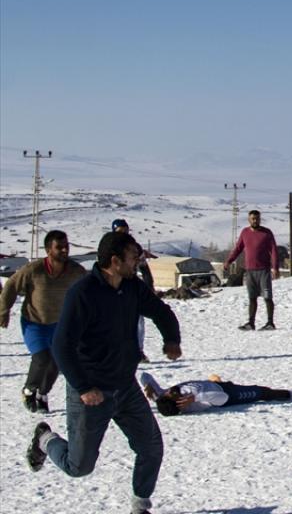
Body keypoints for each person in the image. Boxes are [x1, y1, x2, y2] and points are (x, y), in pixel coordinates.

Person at [26, 231, 182, 514]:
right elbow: (61, 346)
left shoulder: (132, 287)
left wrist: (171, 339)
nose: (137, 261)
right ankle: (45, 439)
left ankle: (140, 507)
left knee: (151, 448)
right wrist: (84, 387)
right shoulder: (83, 293)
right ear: (115, 260)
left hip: (125, 386)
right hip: (91, 391)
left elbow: (161, 311)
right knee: (79, 467)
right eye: (133, 256)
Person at [0, 230, 87, 413]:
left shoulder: (75, 271)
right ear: (48, 250)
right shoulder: (34, 270)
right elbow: (11, 285)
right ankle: (29, 390)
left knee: (57, 362)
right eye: (59, 247)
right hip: (34, 322)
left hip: (59, 324)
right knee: (42, 358)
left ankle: (42, 394)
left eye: (66, 246)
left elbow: (91, 288)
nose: (64, 250)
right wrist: (3, 311)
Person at [140, 372, 292, 415]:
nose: (170, 391)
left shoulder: (162, 396)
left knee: (214, 380)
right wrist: (197, 397)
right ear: (180, 404)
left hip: (214, 385)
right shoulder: (194, 405)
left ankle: (215, 380)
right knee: (262, 392)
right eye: (172, 395)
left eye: (167, 393)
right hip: (229, 393)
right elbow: (222, 399)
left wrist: (146, 384)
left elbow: (144, 375)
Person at [224, 209, 280, 331]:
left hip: (263, 270)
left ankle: (270, 323)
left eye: (257, 218)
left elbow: (274, 251)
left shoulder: (266, 233)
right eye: (253, 219)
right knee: (252, 298)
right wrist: (229, 260)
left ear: (260, 219)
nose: (255, 221)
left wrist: (275, 267)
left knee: (267, 297)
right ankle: (251, 323)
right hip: (250, 271)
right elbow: (238, 249)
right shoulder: (245, 232)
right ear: (249, 220)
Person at [112, 219, 154, 360]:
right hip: (113, 286)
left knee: (138, 320)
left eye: (126, 231)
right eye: (120, 231)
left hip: (131, 286)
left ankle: (138, 351)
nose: (123, 234)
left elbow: (144, 268)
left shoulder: (135, 248)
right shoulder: (109, 247)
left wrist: (149, 286)